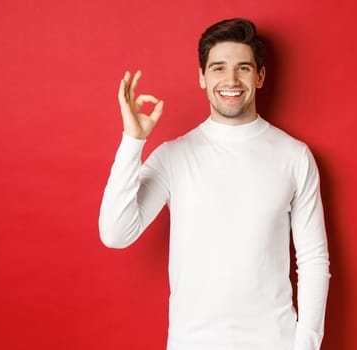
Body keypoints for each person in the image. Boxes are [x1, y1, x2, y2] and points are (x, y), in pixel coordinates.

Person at [98, 18, 331, 350]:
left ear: (260, 76)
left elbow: (313, 260)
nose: (231, 80)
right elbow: (116, 233)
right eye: (218, 68)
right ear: (202, 77)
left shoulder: (294, 156)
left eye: (244, 68)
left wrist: (305, 345)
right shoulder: (173, 157)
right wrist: (133, 141)